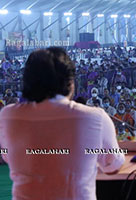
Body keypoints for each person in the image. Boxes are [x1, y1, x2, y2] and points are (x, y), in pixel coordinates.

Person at [0, 47, 124, 199]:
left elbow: (9, 156)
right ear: (70, 82)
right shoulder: (95, 117)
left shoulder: (8, 116)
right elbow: (112, 166)